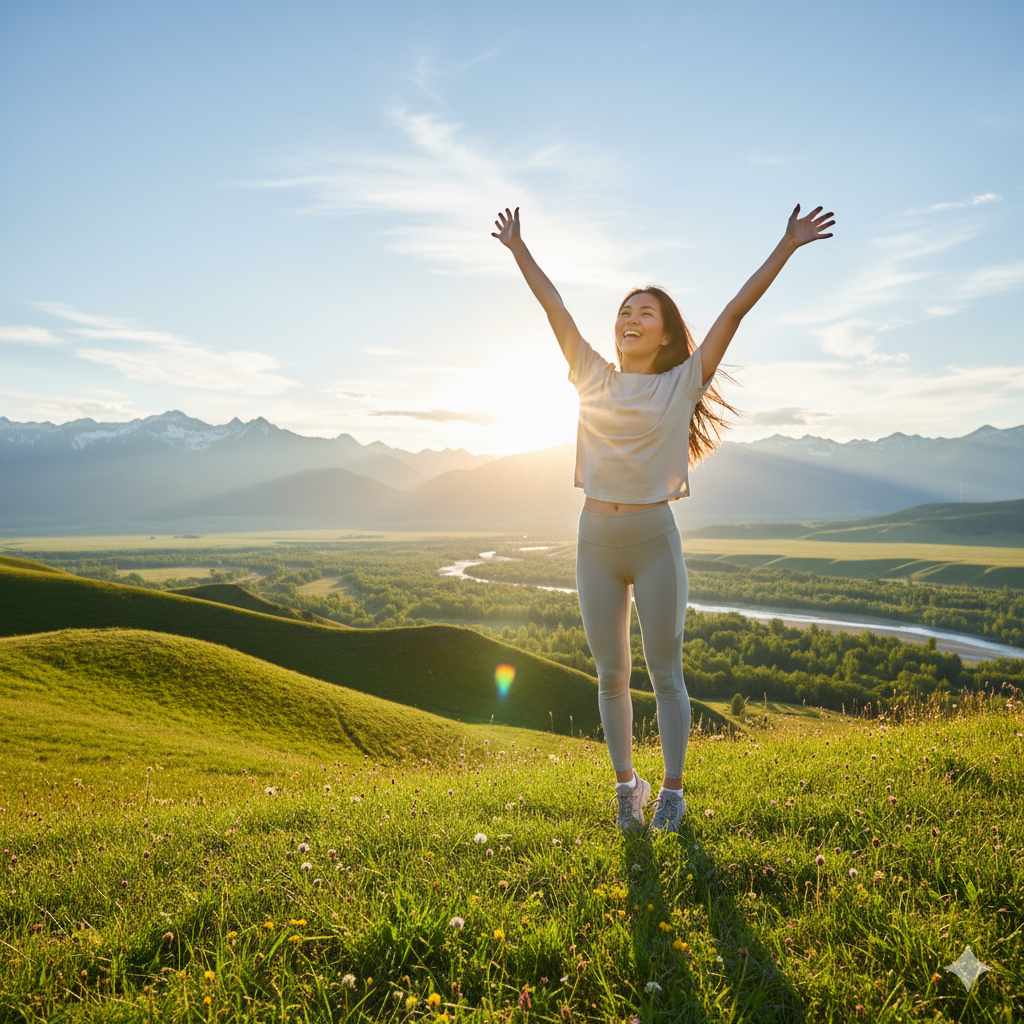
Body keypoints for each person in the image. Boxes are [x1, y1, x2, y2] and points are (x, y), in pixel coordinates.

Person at [492, 203, 835, 832]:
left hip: (653, 540)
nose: (629, 317)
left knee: (665, 672)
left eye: (643, 311)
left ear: (666, 334)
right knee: (611, 674)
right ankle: (628, 787)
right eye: (624, 309)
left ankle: (672, 792)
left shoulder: (682, 382)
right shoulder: (590, 374)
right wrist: (518, 248)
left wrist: (787, 245)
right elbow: (555, 309)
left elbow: (734, 310)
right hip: (594, 539)